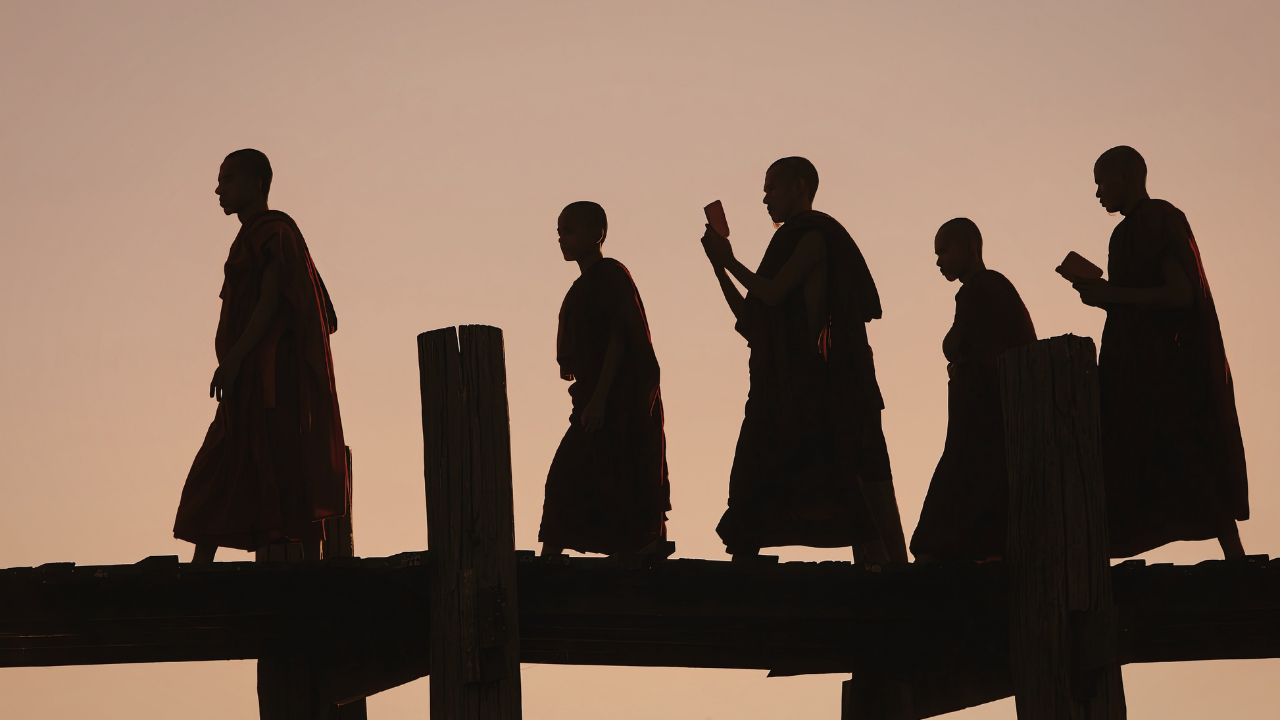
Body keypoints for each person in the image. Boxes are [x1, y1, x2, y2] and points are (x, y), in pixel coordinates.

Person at [701, 157, 907, 563]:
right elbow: (752, 319)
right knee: (755, 475)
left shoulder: (814, 236)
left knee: (841, 478)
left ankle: (884, 565)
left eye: (772, 187)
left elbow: (774, 293)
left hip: (816, 384)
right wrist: (719, 268)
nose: (764, 198)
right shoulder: (786, 241)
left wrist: (730, 261)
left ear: (799, 186)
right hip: (782, 385)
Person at [1067, 145, 1247, 559]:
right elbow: (1132, 299)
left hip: (1166, 363)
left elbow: (1181, 294)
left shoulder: (1160, 218)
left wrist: (1112, 294)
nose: (1097, 194)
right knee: (1125, 456)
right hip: (1130, 363)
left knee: (1188, 449)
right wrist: (1102, 297)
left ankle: (1235, 556)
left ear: (1126, 177)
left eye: (1101, 182)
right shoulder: (1122, 233)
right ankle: (1101, 553)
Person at [173, 149, 348, 563]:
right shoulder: (249, 236)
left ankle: (313, 560)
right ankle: (202, 563)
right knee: (231, 453)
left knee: (283, 453)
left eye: (228, 179)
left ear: (257, 183)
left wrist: (233, 359)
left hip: (272, 372)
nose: (218, 189)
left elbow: (270, 301)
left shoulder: (275, 232)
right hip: (246, 373)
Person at [537, 202, 671, 557]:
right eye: (559, 231)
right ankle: (553, 556)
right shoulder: (582, 287)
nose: (562, 238)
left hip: (616, 401)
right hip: (592, 399)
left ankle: (559, 556)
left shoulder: (610, 275)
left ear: (597, 234)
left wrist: (599, 399)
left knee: (577, 474)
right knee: (576, 476)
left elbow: (620, 338)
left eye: (570, 230)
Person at [910, 218, 1036, 563]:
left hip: (985, 413)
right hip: (997, 409)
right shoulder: (993, 288)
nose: (939, 262)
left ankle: (936, 554)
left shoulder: (979, 289)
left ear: (968, 247)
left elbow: (955, 345)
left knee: (960, 486)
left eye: (944, 252)